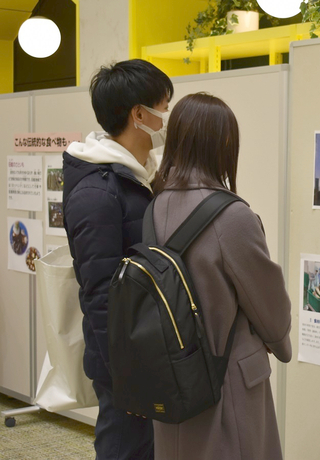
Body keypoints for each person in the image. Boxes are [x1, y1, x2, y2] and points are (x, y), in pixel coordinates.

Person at [151, 93, 291, 459]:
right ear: (224, 145)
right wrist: (281, 344)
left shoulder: (153, 206)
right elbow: (269, 305)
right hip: (226, 381)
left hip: (172, 378)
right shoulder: (232, 216)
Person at [62, 59, 173, 460]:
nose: (166, 117)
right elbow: (100, 294)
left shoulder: (139, 176)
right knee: (124, 447)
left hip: (146, 348)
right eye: (164, 106)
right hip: (123, 361)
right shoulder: (97, 193)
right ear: (139, 115)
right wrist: (123, 376)